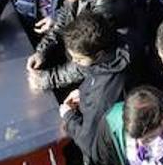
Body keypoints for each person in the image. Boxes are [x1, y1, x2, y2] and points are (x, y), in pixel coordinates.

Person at [27, 0, 136, 90]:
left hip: (100, 76)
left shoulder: (109, 3)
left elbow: (87, 53)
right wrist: (43, 50)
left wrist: (49, 79)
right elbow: (65, 15)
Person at [56, 12, 133, 155]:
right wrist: (83, 92)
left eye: (78, 59)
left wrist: (68, 117)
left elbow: (90, 145)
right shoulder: (120, 42)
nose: (74, 62)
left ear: (99, 55)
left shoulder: (102, 95)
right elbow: (97, 73)